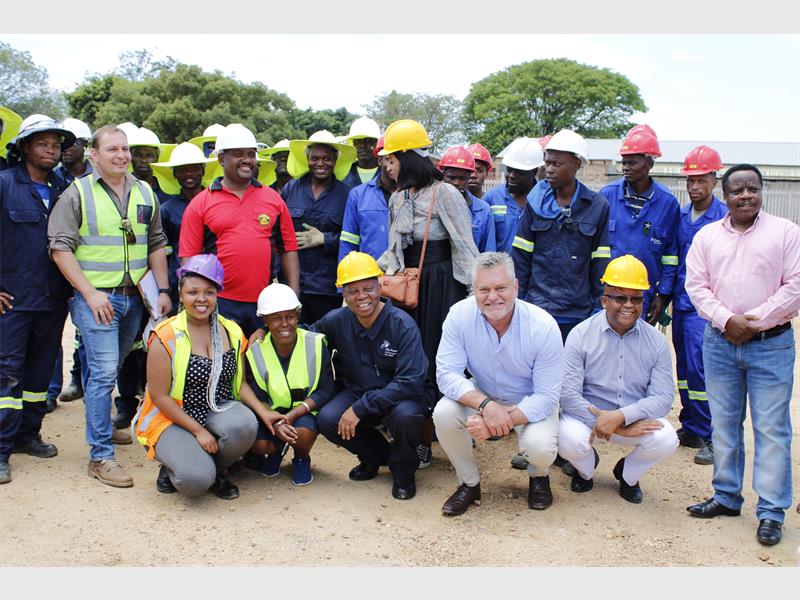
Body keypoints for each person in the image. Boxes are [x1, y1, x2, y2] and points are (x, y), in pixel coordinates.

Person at [49, 124, 172, 488]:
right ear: (94, 155)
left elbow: (156, 243)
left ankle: (100, 425)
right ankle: (100, 455)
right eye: (112, 149)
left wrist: (163, 289)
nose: (121, 156)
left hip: (134, 298)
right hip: (97, 300)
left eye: (125, 149)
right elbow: (60, 248)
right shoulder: (77, 194)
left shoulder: (144, 191)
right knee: (103, 373)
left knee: (109, 368)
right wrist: (89, 293)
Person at [685, 163, 800, 547]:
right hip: (720, 344)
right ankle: (726, 496)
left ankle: (771, 511)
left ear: (761, 191)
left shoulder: (786, 233)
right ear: (726, 195)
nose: (746, 195)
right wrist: (726, 320)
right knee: (723, 424)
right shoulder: (706, 237)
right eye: (738, 190)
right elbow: (696, 286)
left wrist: (752, 322)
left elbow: (795, 285)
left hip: (771, 345)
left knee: (771, 429)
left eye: (752, 188)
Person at [377, 119, 479, 466]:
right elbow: (394, 249)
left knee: (439, 360)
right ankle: (417, 436)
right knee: (409, 360)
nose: (387, 166)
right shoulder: (398, 198)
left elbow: (465, 246)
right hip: (407, 289)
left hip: (442, 287)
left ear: (408, 157)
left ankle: (446, 431)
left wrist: (474, 296)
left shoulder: (445, 193)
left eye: (391, 159)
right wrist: (372, 274)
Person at [434, 252, 564, 515]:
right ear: (473, 290)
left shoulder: (543, 326)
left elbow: (546, 396)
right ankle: (469, 483)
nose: (492, 297)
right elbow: (446, 374)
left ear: (515, 287)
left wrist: (496, 421)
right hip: (484, 394)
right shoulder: (459, 315)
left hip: (529, 399)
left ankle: (539, 476)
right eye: (484, 289)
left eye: (500, 288)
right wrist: (486, 406)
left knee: (540, 448)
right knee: (443, 413)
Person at [134, 254, 271, 499]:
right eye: (192, 292)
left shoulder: (231, 331)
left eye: (209, 292)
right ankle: (179, 466)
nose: (201, 299)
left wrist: (264, 413)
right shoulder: (165, 335)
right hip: (171, 417)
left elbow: (239, 384)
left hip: (215, 408)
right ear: (180, 294)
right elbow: (160, 397)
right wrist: (198, 431)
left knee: (246, 426)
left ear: (218, 294)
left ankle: (215, 469)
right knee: (195, 481)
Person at [558, 254, 678, 504]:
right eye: (620, 298)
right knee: (566, 438)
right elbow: (568, 395)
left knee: (666, 438)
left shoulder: (656, 342)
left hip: (634, 420)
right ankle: (585, 471)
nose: (629, 305)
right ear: (604, 300)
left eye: (636, 299)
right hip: (589, 419)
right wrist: (611, 424)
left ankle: (627, 475)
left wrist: (621, 417)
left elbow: (663, 397)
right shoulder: (580, 335)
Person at [312, 252, 432, 500]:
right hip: (359, 391)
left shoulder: (402, 324)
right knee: (328, 419)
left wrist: (360, 407)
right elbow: (306, 337)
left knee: (405, 416)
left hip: (402, 397)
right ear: (344, 294)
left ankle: (404, 472)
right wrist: (265, 331)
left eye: (368, 288)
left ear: (379, 286)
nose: (362, 296)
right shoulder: (337, 321)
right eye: (352, 291)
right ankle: (376, 457)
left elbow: (410, 381)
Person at [0, 115, 75, 484]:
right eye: (42, 143)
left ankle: (28, 435)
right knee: (7, 374)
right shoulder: (4, 184)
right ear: (25, 147)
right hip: (13, 300)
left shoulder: (64, 188)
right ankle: (1, 449)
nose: (51, 150)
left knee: (40, 372)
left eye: (56, 145)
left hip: (52, 299)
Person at [179, 124, 300, 337]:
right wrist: (198, 302)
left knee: (260, 357)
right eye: (238, 154)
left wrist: (293, 293)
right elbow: (189, 260)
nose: (247, 160)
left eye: (251, 154)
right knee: (224, 357)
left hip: (265, 302)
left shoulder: (273, 199)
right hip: (219, 302)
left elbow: (288, 249)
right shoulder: (200, 203)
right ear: (221, 159)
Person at [512, 129, 610, 342]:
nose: (549, 169)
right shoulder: (534, 202)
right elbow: (521, 258)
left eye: (557, 164)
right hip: (537, 309)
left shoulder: (597, 206)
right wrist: (519, 304)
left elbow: (600, 263)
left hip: (577, 313)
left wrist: (598, 309)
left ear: (576, 164)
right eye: (547, 163)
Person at [672, 146, 727, 466]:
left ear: (714, 181)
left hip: (705, 307)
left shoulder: (724, 217)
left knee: (700, 369)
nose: (694, 186)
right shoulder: (681, 216)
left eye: (701, 180)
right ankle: (691, 426)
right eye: (690, 180)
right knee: (683, 369)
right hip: (681, 303)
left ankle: (712, 435)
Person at [246, 283, 334, 485]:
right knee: (259, 445)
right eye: (276, 318)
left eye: (290, 316)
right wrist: (275, 422)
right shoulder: (255, 350)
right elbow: (259, 395)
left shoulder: (315, 343)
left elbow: (326, 389)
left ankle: (301, 457)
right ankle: (276, 451)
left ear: (298, 316)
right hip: (271, 414)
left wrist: (293, 415)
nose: (285, 323)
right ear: (265, 321)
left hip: (304, 412)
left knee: (301, 434)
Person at [599, 125, 680, 323]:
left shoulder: (667, 203)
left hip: (643, 296)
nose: (625, 167)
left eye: (632, 163)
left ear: (649, 163)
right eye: (623, 162)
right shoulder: (606, 196)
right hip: (608, 294)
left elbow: (670, 256)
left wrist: (663, 296)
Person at [281, 131, 355, 323]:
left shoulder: (347, 194)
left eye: (326, 159)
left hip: (327, 288)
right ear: (307, 159)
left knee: (325, 336)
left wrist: (325, 239)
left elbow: (354, 239)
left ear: (335, 160)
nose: (320, 163)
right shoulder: (291, 189)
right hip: (293, 285)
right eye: (315, 158)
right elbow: (278, 231)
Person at [151, 142, 215, 306]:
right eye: (182, 170)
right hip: (179, 283)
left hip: (215, 278)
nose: (189, 174)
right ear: (175, 174)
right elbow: (161, 251)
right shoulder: (167, 210)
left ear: (203, 170)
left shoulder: (216, 202)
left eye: (194, 168)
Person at [338, 135, 397, 263]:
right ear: (380, 160)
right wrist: (345, 274)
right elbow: (348, 243)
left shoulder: (414, 193)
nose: (394, 164)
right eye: (388, 159)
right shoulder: (357, 195)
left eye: (399, 159)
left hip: (407, 273)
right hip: (369, 272)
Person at [484, 137, 542, 253]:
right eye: (509, 170)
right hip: (499, 264)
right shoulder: (491, 198)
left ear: (534, 172)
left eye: (519, 172)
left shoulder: (545, 199)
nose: (511, 175)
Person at [439, 145, 496, 253]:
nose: (456, 183)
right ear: (443, 174)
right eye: (451, 177)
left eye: (462, 178)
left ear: (468, 177)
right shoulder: (431, 205)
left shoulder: (484, 210)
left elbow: (488, 253)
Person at [126, 125, 173, 204]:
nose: (144, 160)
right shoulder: (121, 189)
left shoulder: (167, 193)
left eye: (149, 155)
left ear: (157, 157)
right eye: (138, 155)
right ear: (130, 157)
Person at [341, 116, 381, 190]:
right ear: (353, 144)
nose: (362, 145)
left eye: (368, 140)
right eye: (357, 141)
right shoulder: (344, 174)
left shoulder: (387, 172)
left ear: (377, 143)